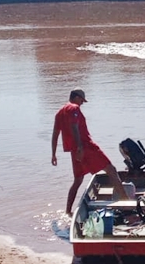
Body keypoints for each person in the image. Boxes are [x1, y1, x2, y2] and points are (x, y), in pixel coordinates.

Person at [51, 87, 126, 216]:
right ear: (76, 97)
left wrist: (53, 154)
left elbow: (55, 133)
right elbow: (74, 127)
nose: (82, 104)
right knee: (111, 170)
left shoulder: (59, 113)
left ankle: (68, 211)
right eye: (82, 101)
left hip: (74, 152)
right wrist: (80, 147)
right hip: (86, 147)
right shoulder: (74, 108)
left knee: (77, 181)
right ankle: (127, 203)